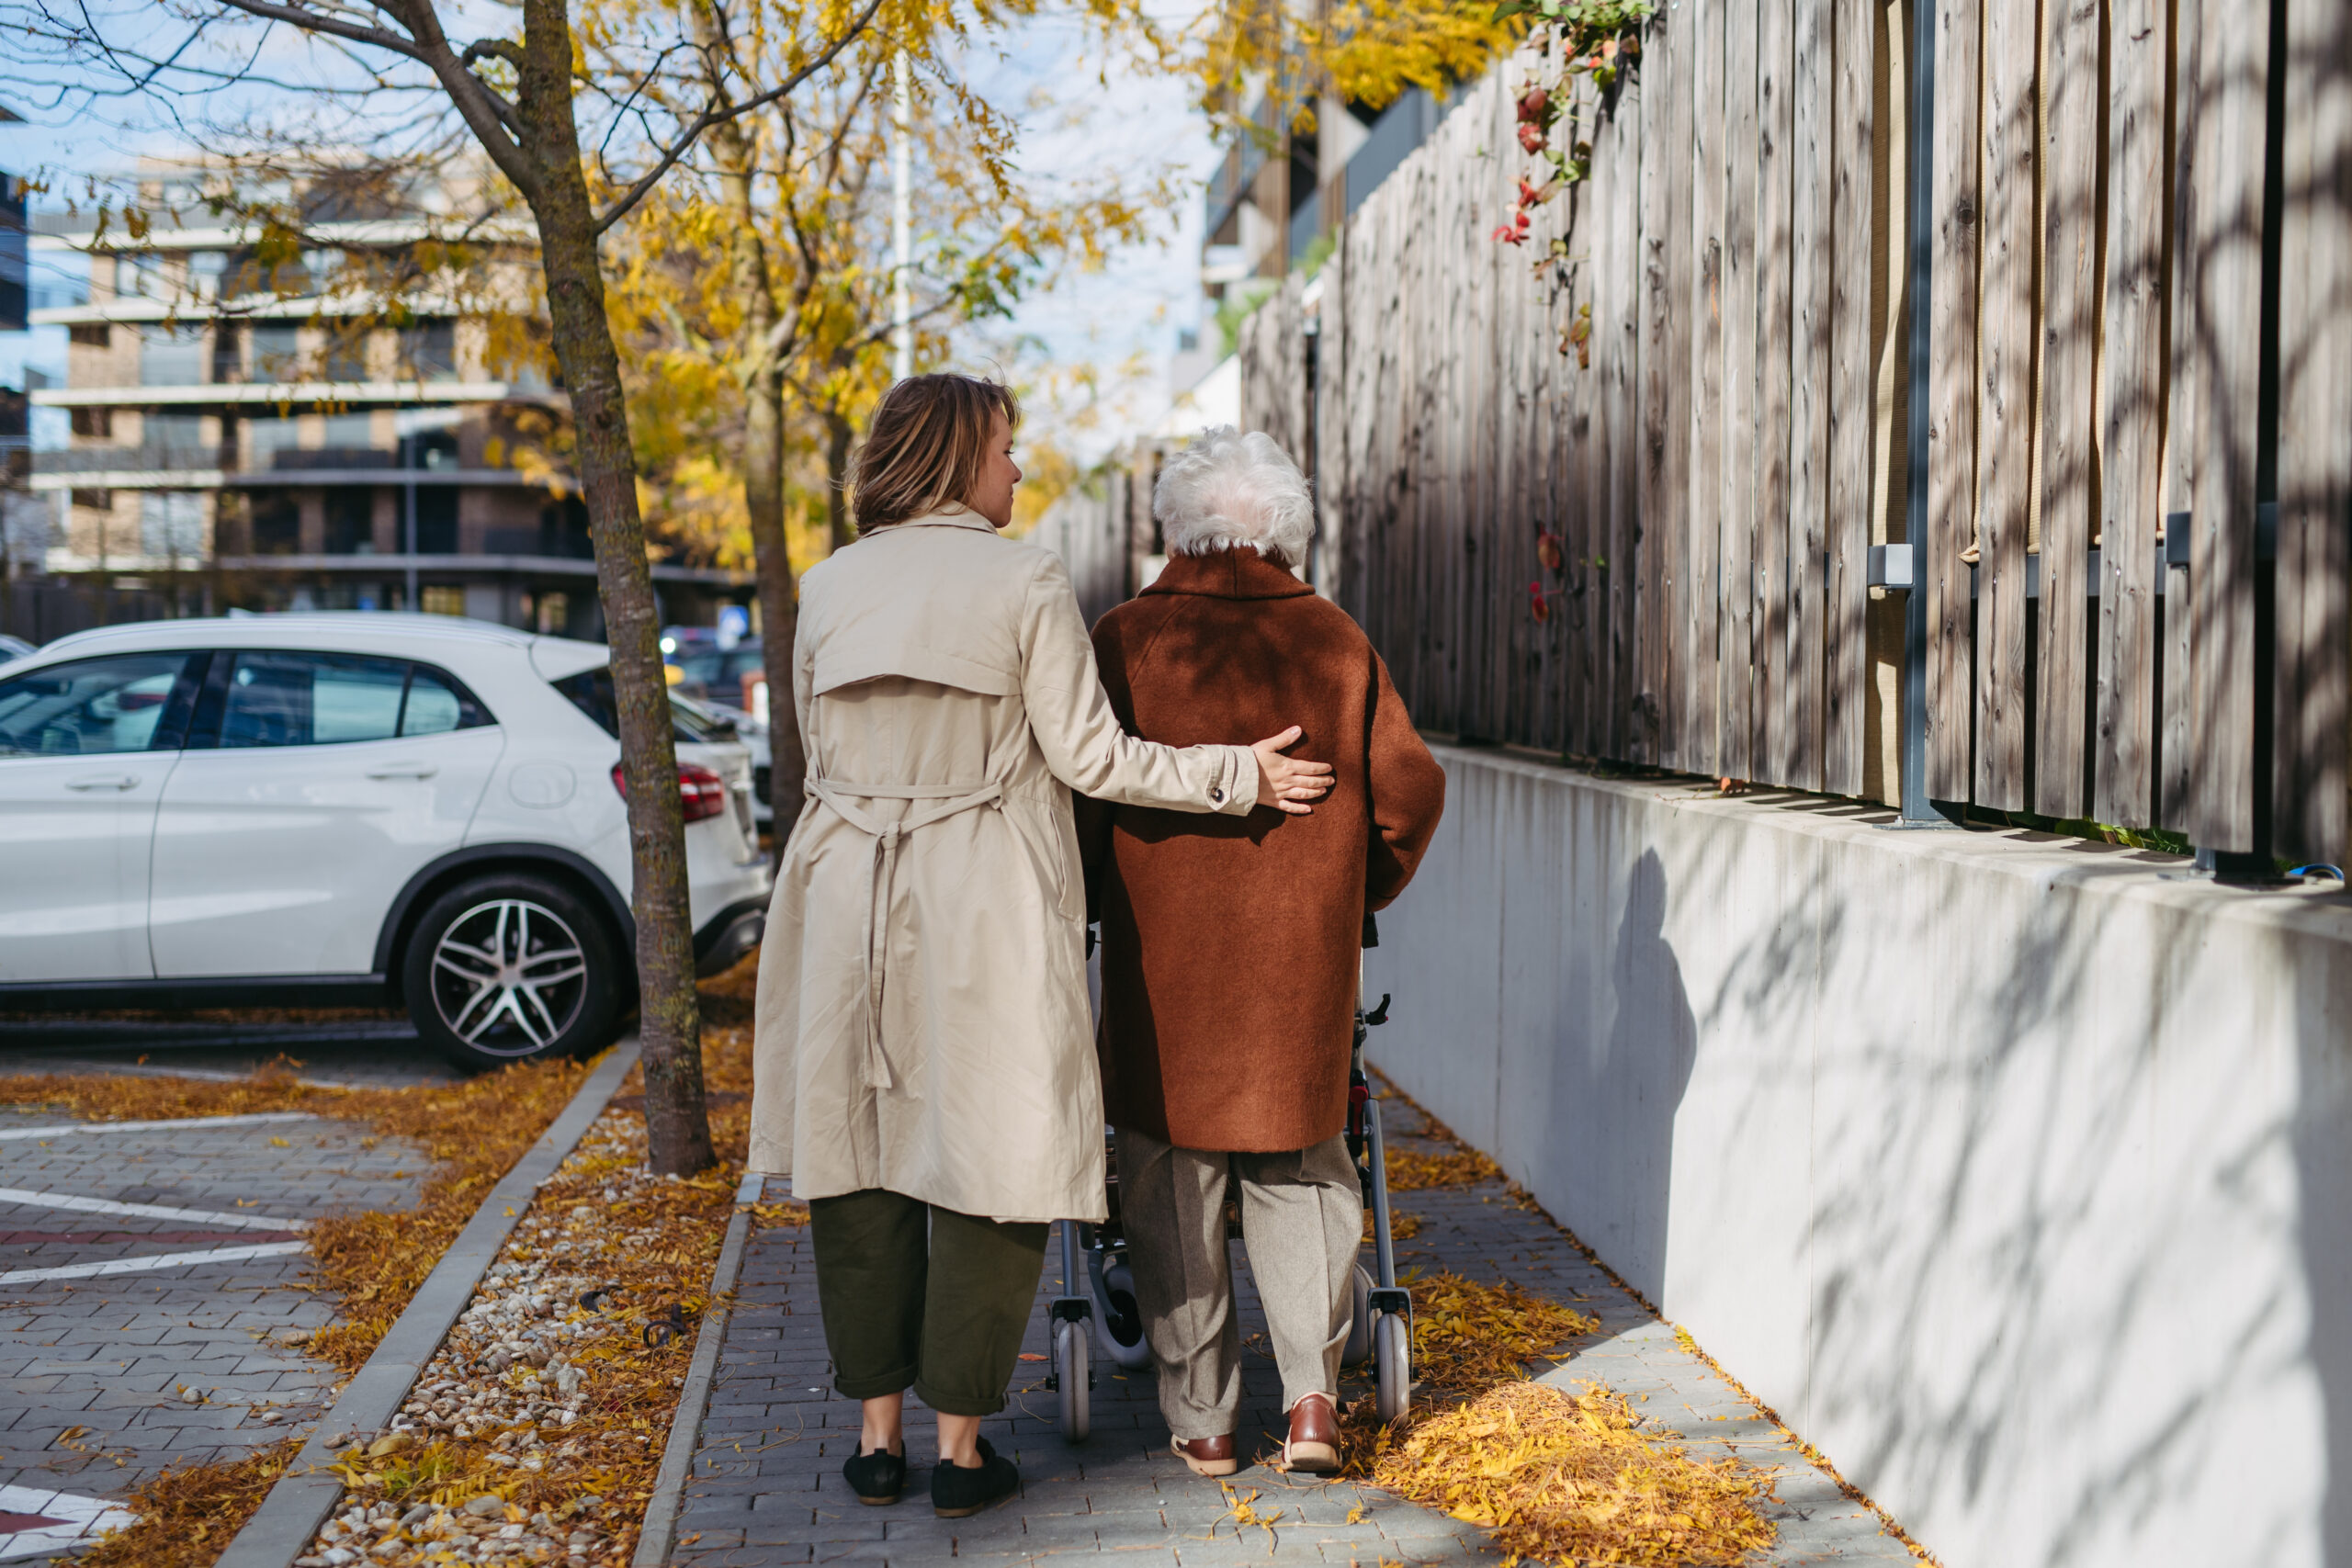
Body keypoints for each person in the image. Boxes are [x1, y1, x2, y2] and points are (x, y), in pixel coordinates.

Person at [748, 379, 1336, 1518]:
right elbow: (1094, 758)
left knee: (853, 1153)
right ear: (961, 455)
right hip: (981, 896)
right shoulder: (1023, 579)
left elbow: (815, 755)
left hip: (839, 891)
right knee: (994, 1155)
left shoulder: (824, 587)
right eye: (1008, 451)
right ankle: (963, 1451)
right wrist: (1237, 774)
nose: (1019, 472)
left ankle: (876, 1442)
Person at [1080, 426, 1445, 1476]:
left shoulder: (1127, 639)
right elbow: (1411, 789)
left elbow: (1084, 788)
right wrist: (1349, 893)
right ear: (1284, 525)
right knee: (1304, 1167)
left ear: (1177, 523)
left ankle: (1200, 1418)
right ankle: (1313, 1406)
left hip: (1163, 969)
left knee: (1166, 1175)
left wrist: (1102, 890)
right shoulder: (1334, 641)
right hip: (1300, 963)